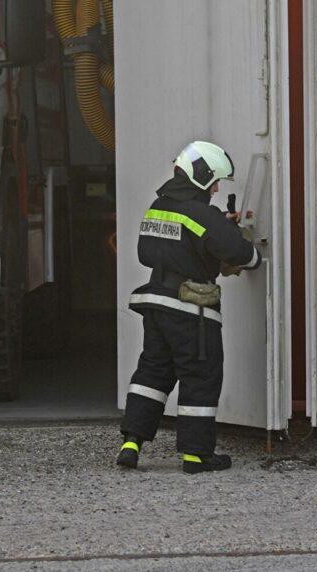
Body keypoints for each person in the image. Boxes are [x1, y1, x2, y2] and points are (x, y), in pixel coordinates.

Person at [117, 140, 261, 474]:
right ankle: (197, 455)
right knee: (200, 375)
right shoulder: (203, 215)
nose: (216, 189)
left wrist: (218, 223)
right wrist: (242, 242)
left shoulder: (158, 206)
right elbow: (242, 254)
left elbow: (176, 239)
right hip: (189, 310)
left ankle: (131, 443)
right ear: (203, 177)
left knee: (152, 372)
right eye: (215, 182)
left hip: (155, 303)